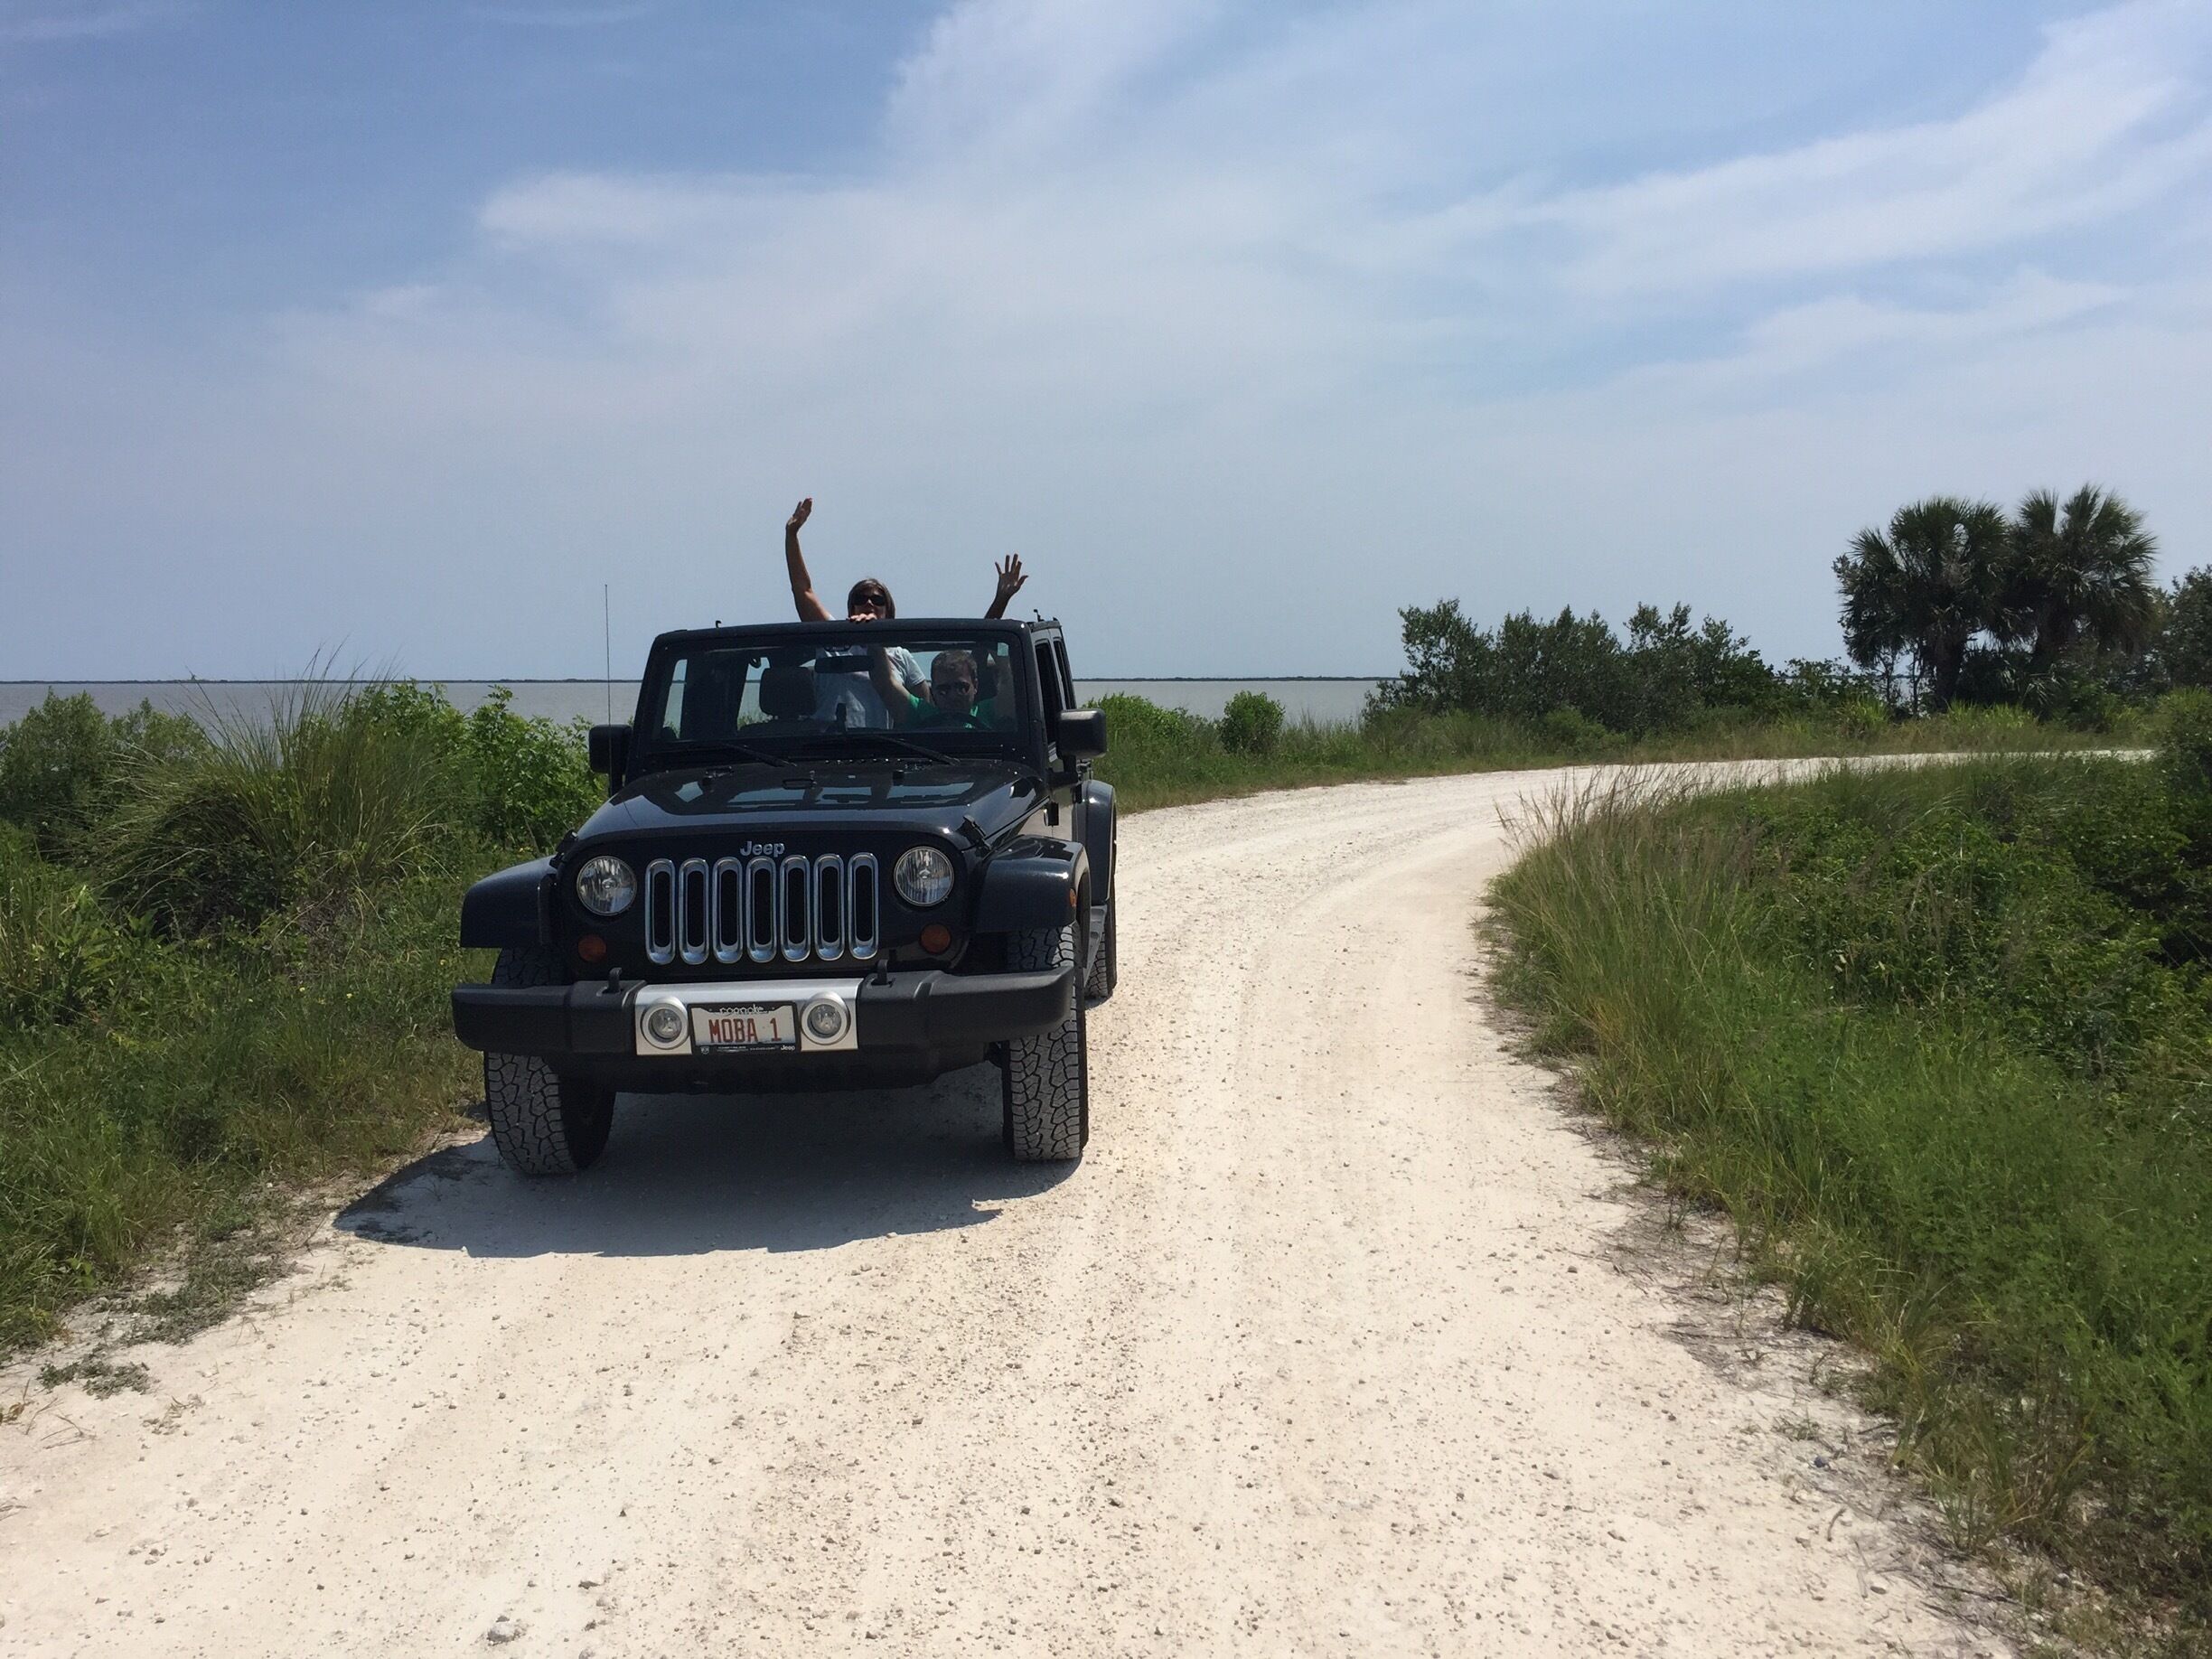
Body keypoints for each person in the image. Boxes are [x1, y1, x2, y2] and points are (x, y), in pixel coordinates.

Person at [782, 497, 1028, 727]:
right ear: (851, 609)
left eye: (877, 599)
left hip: (889, 754)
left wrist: (1001, 600)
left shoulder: (901, 658)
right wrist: (791, 535)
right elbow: (803, 592)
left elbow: (930, 712)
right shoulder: (832, 643)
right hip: (827, 751)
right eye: (860, 598)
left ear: (889, 612)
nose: (868, 603)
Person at [869, 646, 1002, 730]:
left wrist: (997, 640)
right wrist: (871, 628)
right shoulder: (920, 713)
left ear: (976, 686)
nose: (953, 696)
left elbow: (1011, 679)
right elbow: (886, 684)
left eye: (961, 688)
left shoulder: (988, 712)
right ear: (933, 691)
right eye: (944, 690)